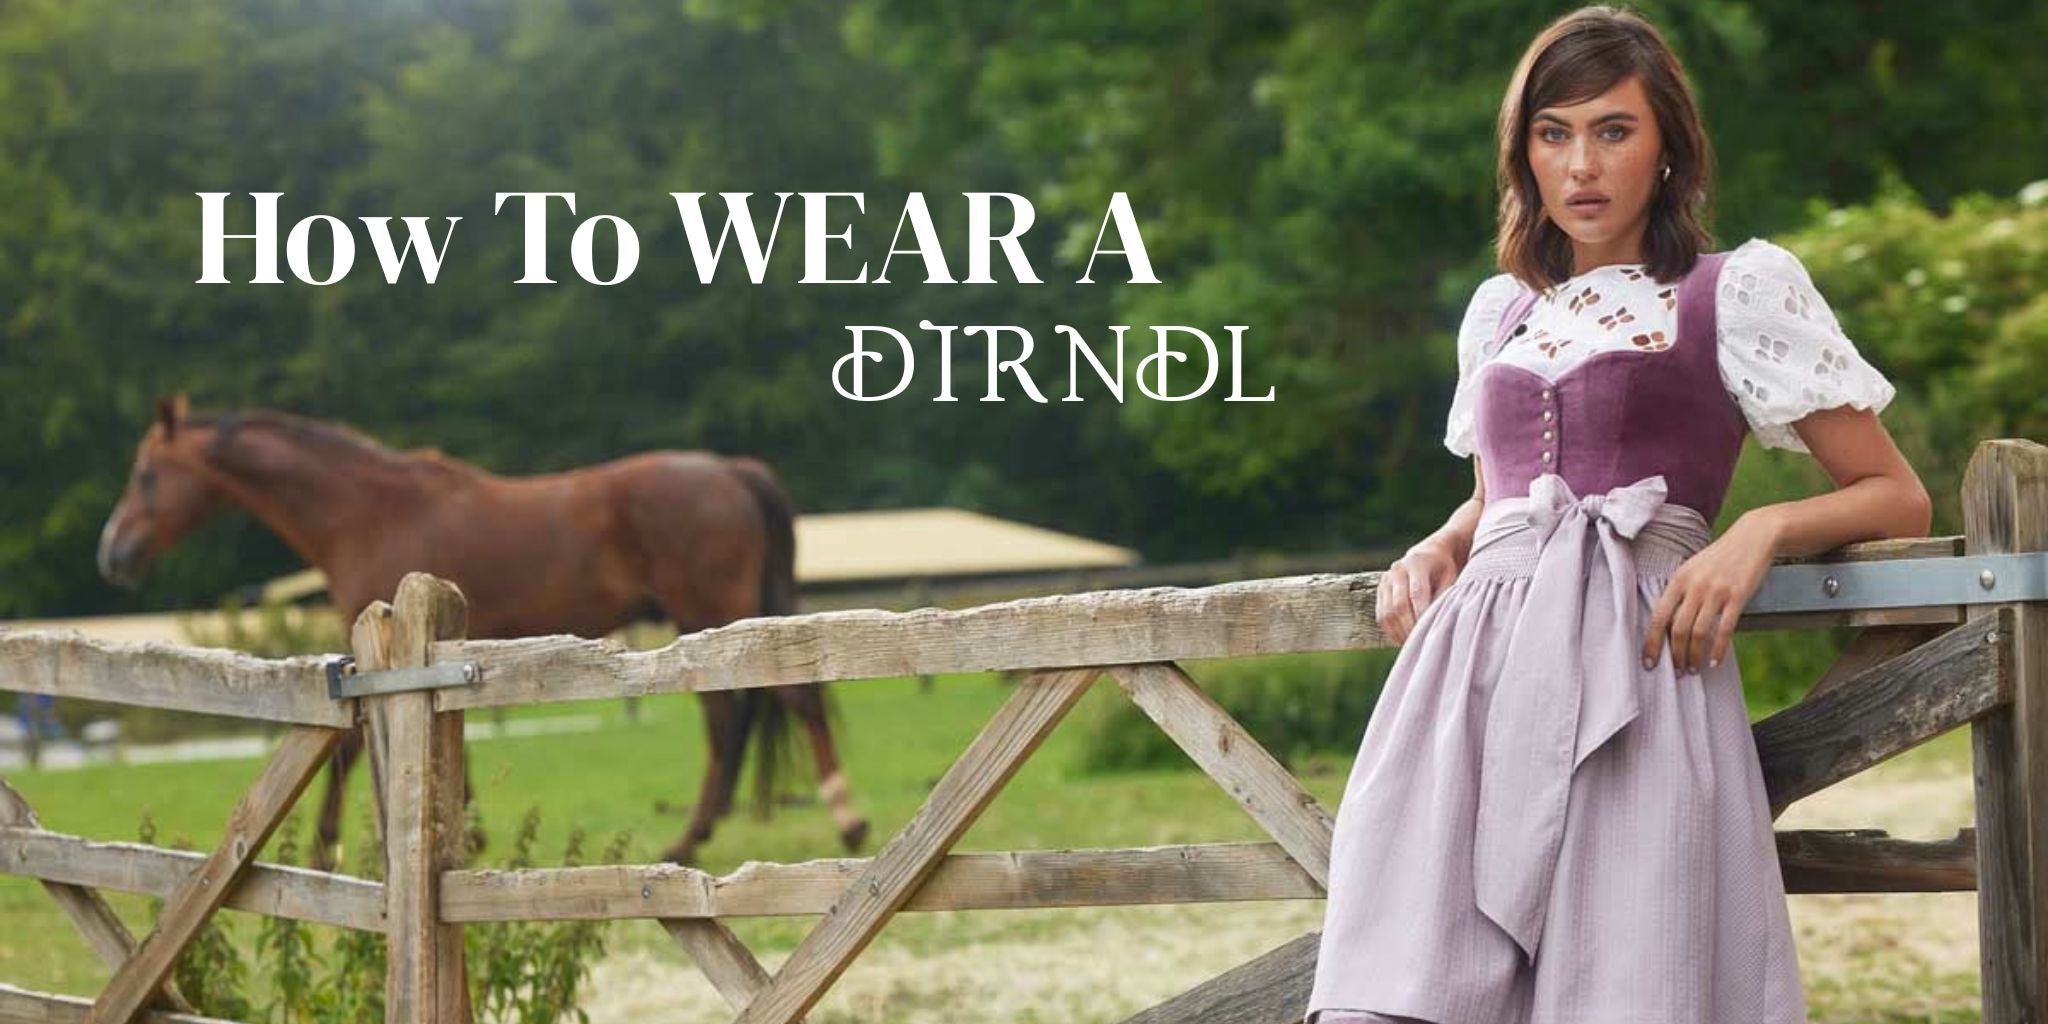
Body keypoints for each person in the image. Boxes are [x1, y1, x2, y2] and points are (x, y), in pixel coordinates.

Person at [1302, 7, 1932, 1024]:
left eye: (1611, 129)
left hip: (1636, 672)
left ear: (1667, 148)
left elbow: (1896, 495)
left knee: (1626, 970)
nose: (1580, 164)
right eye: (1552, 134)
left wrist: (1754, 532)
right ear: (1523, 156)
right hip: (1469, 677)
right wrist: (1439, 541)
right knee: (1410, 974)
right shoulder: (1498, 310)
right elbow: (1492, 494)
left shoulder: (1731, 293)